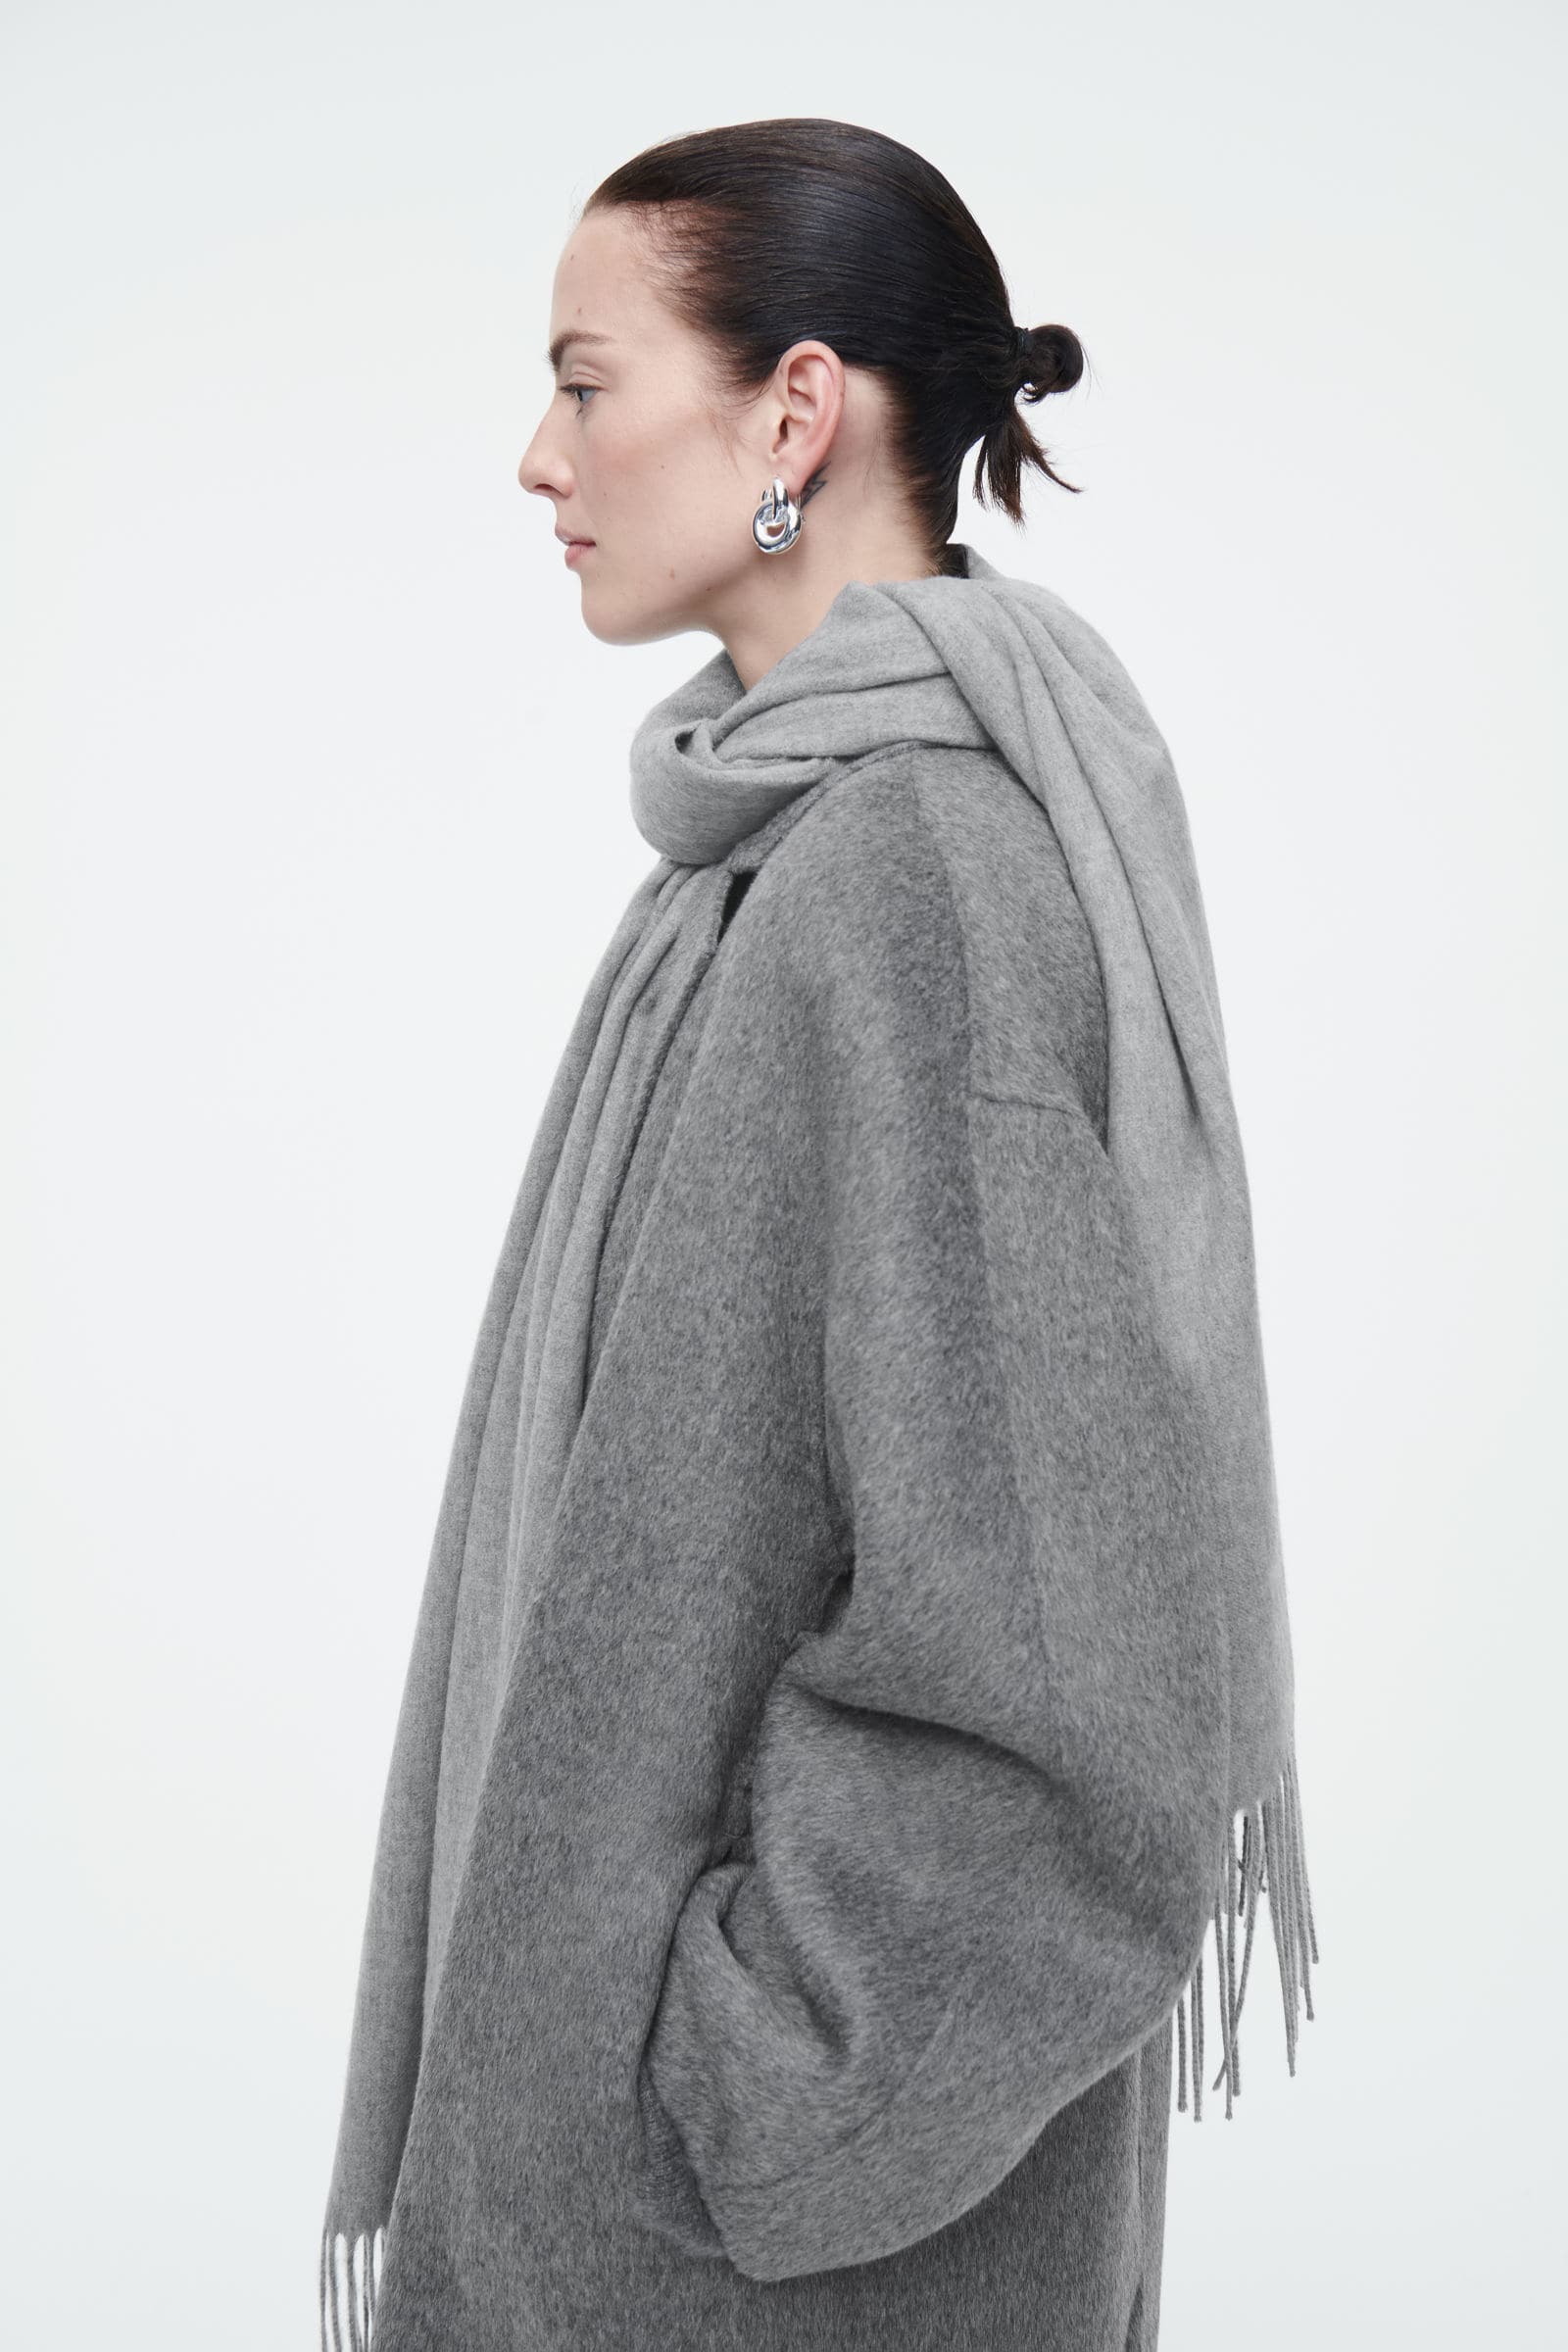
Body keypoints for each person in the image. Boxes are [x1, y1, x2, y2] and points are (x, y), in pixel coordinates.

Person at [318, 116, 1318, 2352]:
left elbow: (1067, 1717)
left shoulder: (912, 879)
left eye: (585, 382)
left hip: (767, 2283)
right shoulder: (757, 858)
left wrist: (729, 2101)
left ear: (791, 415)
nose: (537, 455)